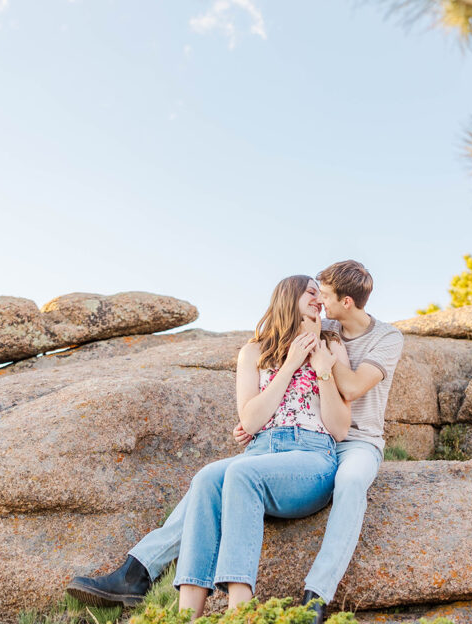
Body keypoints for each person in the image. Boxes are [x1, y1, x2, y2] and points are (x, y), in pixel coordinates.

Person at [68, 260, 404, 622]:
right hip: (270, 448)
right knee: (207, 478)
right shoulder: (292, 337)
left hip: (348, 442)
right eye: (313, 294)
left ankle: (306, 597)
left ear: (346, 303)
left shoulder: (357, 338)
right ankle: (153, 585)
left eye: (323, 296)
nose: (319, 302)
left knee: (347, 481)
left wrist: (320, 361)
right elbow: (253, 413)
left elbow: (348, 394)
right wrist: (258, 420)